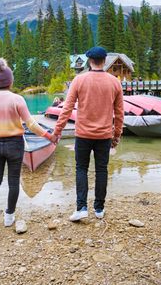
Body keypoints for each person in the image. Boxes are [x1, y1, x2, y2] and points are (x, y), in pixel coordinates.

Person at [50, 46, 124, 221]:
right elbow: (120, 114)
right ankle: (99, 209)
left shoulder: (79, 80)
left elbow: (66, 109)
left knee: (81, 168)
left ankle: (81, 207)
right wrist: (117, 136)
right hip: (104, 136)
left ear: (89, 61)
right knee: (101, 170)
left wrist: (57, 131)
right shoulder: (115, 82)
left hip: (83, 135)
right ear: (104, 61)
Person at [0, 58, 52, 232]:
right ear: (10, 81)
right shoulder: (17, 99)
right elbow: (32, 124)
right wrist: (48, 135)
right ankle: (9, 216)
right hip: (15, 144)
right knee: (13, 181)